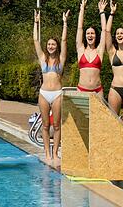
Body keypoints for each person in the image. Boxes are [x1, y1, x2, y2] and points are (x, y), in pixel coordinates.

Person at [34, 9, 69, 166]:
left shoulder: (61, 59)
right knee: (46, 125)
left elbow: (64, 40)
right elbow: (35, 41)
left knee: (57, 125)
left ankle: (56, 153)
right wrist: (36, 22)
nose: (50, 46)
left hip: (56, 94)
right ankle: (47, 152)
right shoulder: (43, 58)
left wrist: (65, 23)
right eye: (48, 44)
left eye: (53, 44)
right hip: (44, 94)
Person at [76, 0, 108, 93]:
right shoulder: (81, 49)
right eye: (88, 33)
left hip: (97, 91)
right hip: (82, 90)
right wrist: (82, 9)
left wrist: (102, 12)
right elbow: (80, 28)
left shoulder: (99, 50)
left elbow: (104, 30)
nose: (90, 35)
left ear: (95, 36)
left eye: (92, 33)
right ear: (85, 36)